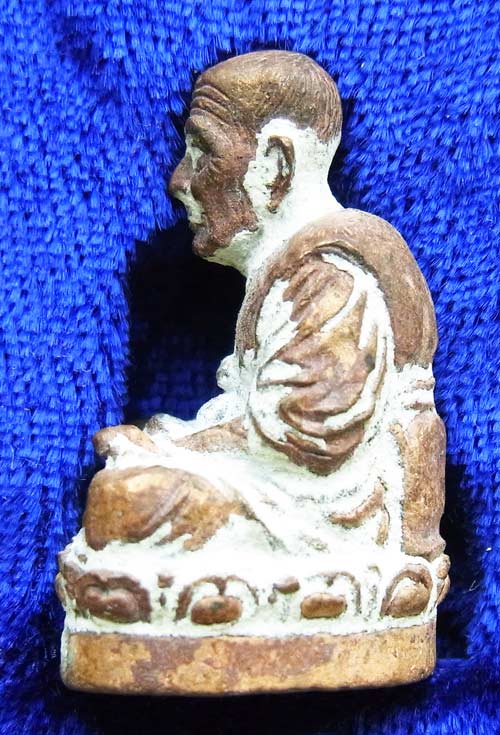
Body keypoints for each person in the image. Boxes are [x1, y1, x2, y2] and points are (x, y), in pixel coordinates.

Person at [59, 51, 449, 631]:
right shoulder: (292, 269)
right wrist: (175, 440)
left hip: (334, 511)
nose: (180, 181)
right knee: (129, 485)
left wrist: (174, 454)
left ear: (275, 164)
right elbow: (260, 416)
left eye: (203, 153)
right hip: (291, 489)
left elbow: (308, 438)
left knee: (125, 501)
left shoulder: (329, 271)